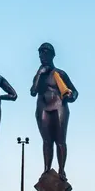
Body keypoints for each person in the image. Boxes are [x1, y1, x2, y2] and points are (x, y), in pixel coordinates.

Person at [30, 42, 78, 181]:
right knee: (47, 141)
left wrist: (70, 96)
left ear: (52, 56)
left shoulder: (60, 74)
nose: (42, 57)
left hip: (59, 107)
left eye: (45, 54)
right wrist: (39, 73)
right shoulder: (39, 76)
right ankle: (47, 169)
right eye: (40, 55)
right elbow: (33, 91)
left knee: (60, 140)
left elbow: (75, 92)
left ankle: (61, 170)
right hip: (43, 108)